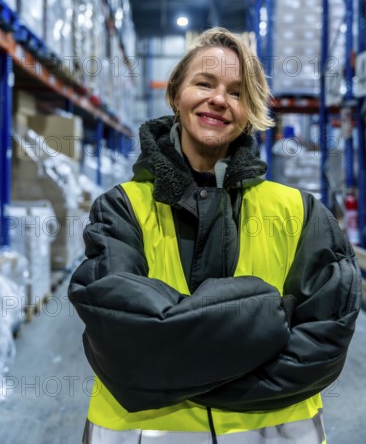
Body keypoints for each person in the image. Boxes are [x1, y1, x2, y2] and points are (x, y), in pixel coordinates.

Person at [69, 27, 362, 444]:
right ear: (175, 95)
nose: (219, 100)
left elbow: (326, 339)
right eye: (204, 83)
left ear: (250, 110)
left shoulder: (300, 212)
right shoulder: (121, 208)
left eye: (237, 92)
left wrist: (176, 361)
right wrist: (269, 316)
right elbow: (123, 338)